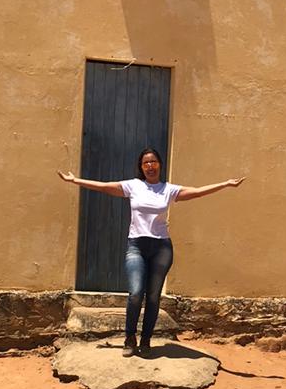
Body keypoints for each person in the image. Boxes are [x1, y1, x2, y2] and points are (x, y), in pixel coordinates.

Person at [58, 149, 244, 356]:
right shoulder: (134, 186)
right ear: (141, 167)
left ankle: (146, 340)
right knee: (136, 293)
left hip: (161, 248)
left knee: (154, 297)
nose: (150, 166)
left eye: (153, 161)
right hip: (136, 246)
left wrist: (226, 184)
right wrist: (75, 181)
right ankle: (130, 338)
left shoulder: (168, 190)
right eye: (145, 163)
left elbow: (198, 191)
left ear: (159, 164)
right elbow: (104, 187)